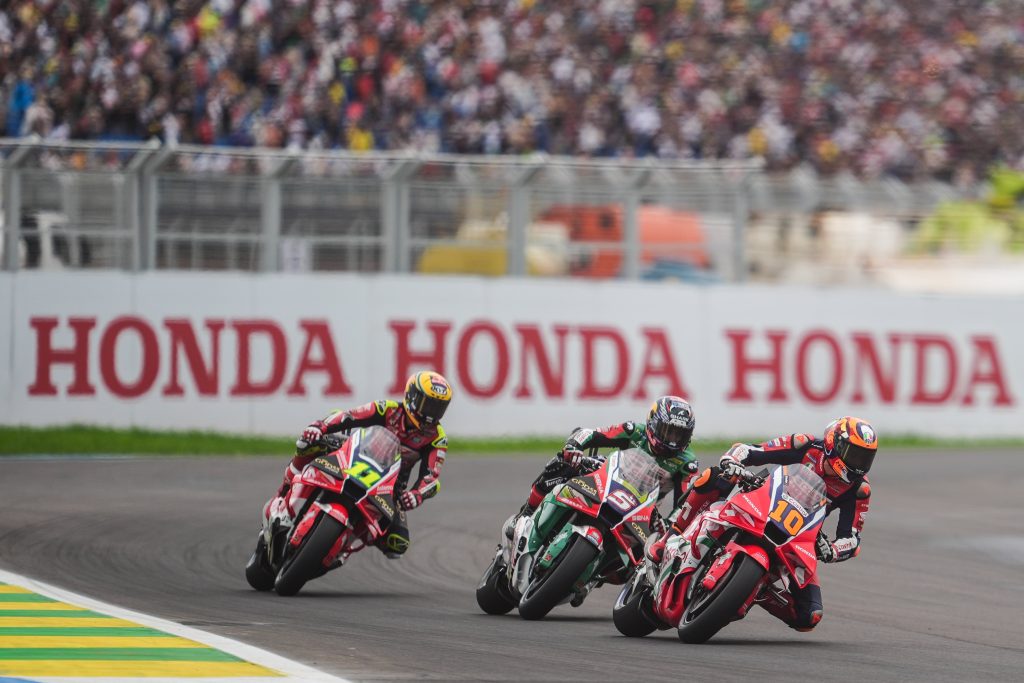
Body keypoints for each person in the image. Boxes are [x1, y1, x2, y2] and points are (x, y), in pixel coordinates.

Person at [648, 416, 878, 632]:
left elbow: (852, 539)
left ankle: (756, 589)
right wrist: (733, 461)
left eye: (865, 458)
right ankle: (671, 535)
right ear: (833, 444)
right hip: (760, 501)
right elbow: (753, 450)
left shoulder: (859, 489)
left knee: (809, 616)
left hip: (796, 533)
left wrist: (833, 550)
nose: (858, 464)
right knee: (714, 476)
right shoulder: (805, 445)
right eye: (854, 454)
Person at [263, 370, 453, 559]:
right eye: (428, 404)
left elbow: (431, 477)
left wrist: (416, 495)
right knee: (308, 444)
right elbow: (349, 416)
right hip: (355, 457)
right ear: (411, 396)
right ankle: (284, 493)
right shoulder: (387, 409)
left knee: (397, 543)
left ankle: (342, 547)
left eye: (438, 408)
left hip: (389, 487)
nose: (431, 414)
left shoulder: (437, 438)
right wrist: (320, 427)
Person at [509, 396, 700, 534]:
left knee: (652, 550)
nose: (672, 440)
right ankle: (526, 513)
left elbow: (686, 505)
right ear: (653, 423)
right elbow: (592, 434)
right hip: (606, 480)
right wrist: (574, 445)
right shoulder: (634, 431)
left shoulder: (687, 463)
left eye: (679, 435)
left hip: (641, 509)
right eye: (668, 431)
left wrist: (668, 525)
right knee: (561, 465)